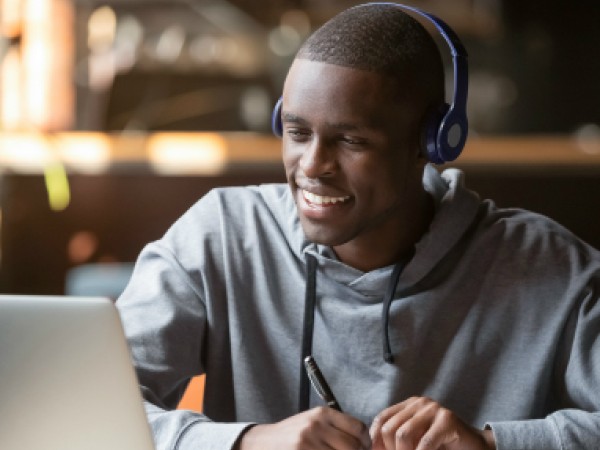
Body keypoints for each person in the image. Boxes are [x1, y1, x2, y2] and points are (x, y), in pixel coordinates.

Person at [116, 3, 600, 450]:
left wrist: (493, 444)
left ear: (430, 143)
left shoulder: (550, 266)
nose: (312, 165)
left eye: (350, 140)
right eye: (297, 132)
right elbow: (77, 410)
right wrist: (248, 442)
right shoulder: (220, 236)